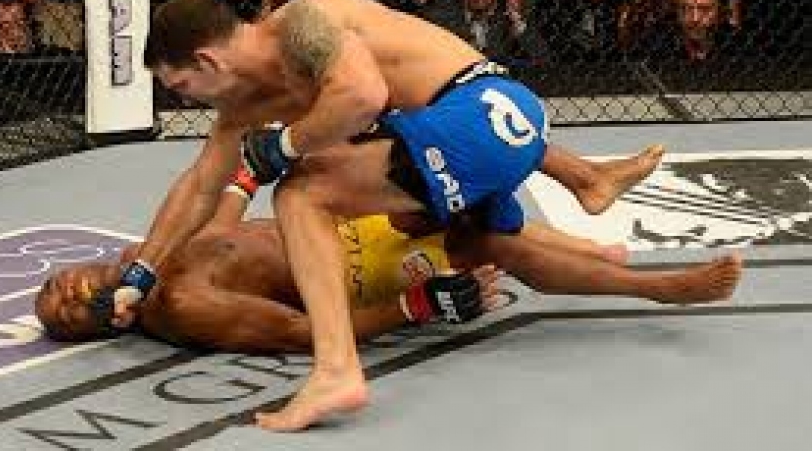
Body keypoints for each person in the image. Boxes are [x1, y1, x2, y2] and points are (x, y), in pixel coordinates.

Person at [118, 0, 669, 430]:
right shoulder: (247, 101)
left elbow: (362, 95)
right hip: (499, 129)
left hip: (479, 114)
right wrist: (142, 273)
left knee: (301, 192)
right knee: (475, 234)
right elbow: (200, 187)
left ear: (207, 60)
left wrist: (285, 145)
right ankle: (591, 191)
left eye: (181, 86)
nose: (185, 99)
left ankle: (336, 369)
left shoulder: (302, 25)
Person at [38, 169, 740, 350]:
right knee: (494, 244)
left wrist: (247, 172)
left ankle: (588, 240)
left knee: (455, 177)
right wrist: (417, 305)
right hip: (351, 272)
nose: (61, 289)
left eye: (50, 286)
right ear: (109, 320)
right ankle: (659, 288)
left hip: (336, 222)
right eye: (65, 311)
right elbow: (303, 331)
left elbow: (224, 229)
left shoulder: (147, 256)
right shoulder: (180, 306)